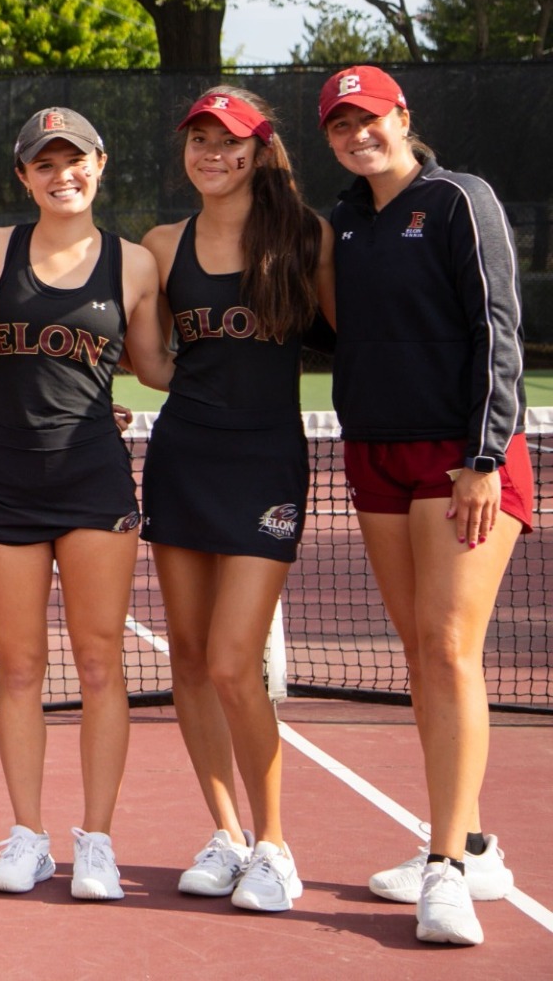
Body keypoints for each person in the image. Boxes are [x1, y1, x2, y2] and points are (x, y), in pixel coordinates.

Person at [318, 65, 530, 946]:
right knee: (419, 653)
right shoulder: (342, 223)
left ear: (404, 117)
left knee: (448, 648)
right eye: (340, 125)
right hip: (374, 454)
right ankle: (472, 843)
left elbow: (496, 325)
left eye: (370, 119)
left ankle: (445, 870)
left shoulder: (456, 200)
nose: (358, 135)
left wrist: (484, 455)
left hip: (461, 457)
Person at [0, 108, 167, 901]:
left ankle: (98, 843)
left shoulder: (135, 264)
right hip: (7, 481)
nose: (61, 176)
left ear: (100, 164)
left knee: (99, 665)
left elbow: (154, 366)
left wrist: (249, 378)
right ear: (24, 177)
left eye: (74, 161)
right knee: (18, 668)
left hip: (95, 482)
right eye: (44, 165)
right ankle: (27, 836)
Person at [139, 88, 328, 913]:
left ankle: (275, 846)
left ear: (259, 149)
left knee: (231, 662)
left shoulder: (305, 235)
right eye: (200, 140)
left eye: (230, 141)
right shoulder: (158, 244)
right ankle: (226, 834)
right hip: (183, 455)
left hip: (266, 465)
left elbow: (350, 335)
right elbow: (149, 362)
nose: (212, 153)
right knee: (186, 657)